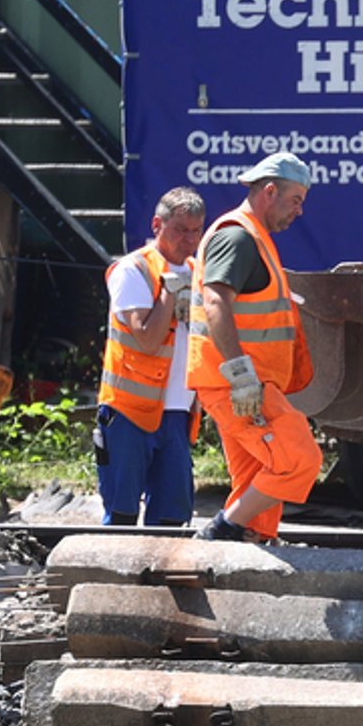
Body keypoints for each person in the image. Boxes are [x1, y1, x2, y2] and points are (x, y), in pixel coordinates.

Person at [188, 152, 322, 542]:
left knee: (257, 473)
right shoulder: (238, 236)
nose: (299, 211)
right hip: (240, 383)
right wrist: (240, 375)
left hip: (244, 381)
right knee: (300, 460)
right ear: (269, 191)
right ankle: (222, 530)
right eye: (295, 200)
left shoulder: (252, 237)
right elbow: (215, 302)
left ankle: (250, 541)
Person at [95, 186, 207, 526]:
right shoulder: (133, 270)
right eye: (180, 230)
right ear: (157, 224)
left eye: (195, 231)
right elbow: (147, 338)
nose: (189, 239)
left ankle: (160, 578)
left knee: (172, 519)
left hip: (177, 412)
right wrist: (169, 297)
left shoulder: (199, 271)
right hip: (129, 411)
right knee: (122, 516)